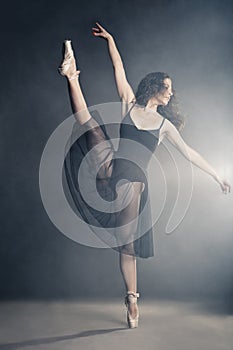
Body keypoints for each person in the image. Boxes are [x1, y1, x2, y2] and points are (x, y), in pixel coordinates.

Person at [58, 22, 231, 329]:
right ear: (154, 88)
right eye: (169, 87)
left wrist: (217, 176)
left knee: (127, 245)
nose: (172, 92)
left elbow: (190, 154)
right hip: (109, 170)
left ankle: (131, 298)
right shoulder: (128, 103)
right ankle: (71, 75)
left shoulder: (165, 127)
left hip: (132, 183)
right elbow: (118, 66)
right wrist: (110, 40)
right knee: (93, 129)